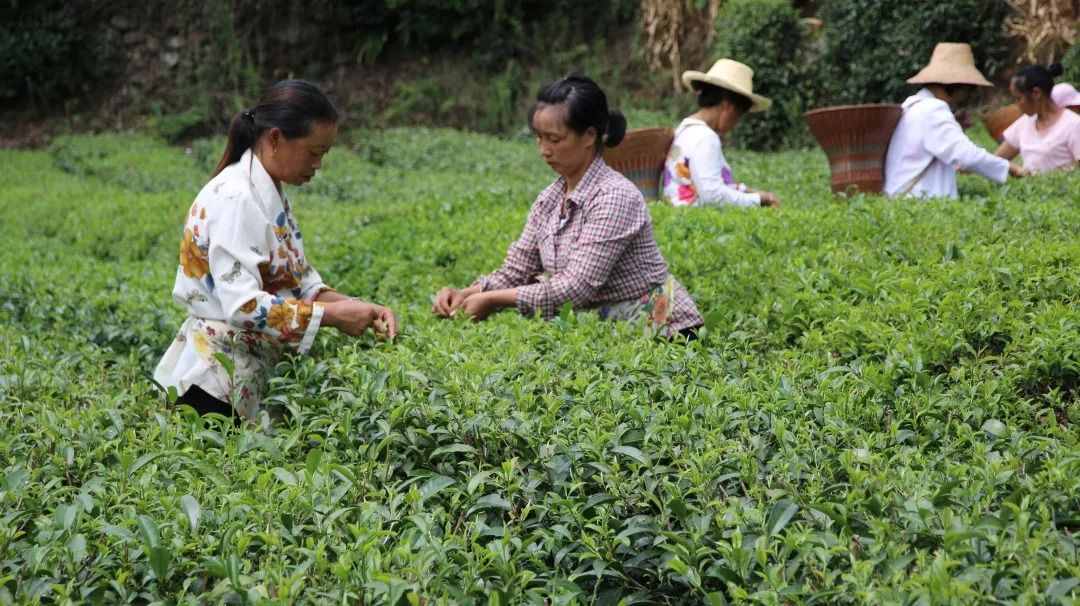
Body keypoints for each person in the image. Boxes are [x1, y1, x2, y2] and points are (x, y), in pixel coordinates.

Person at [155, 80, 396, 421]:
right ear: (275, 139)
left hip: (241, 375)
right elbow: (244, 306)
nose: (318, 165)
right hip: (213, 386)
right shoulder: (237, 197)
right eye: (314, 152)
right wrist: (334, 317)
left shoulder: (267, 192)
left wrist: (358, 308)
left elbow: (300, 285)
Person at [432, 73, 703, 338]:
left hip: (665, 334)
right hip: (603, 334)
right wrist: (468, 292)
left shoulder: (616, 196)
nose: (544, 150)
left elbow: (575, 288)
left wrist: (491, 300)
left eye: (555, 139)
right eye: (539, 137)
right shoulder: (549, 200)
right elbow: (517, 270)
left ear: (588, 136)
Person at [884, 42, 1025, 198]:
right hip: (918, 201)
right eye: (967, 88)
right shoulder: (933, 109)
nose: (964, 96)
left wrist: (955, 125)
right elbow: (967, 155)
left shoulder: (912, 105)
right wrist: (1010, 168)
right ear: (955, 85)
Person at [662, 59, 781, 208]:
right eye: (738, 115)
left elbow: (701, 181)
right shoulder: (705, 137)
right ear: (727, 106)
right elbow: (713, 195)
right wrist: (758, 200)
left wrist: (746, 191)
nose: (736, 122)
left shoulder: (684, 130)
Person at [996, 64, 1080, 173]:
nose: (1017, 105)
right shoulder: (1024, 123)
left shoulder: (1073, 124)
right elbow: (997, 159)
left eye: (1019, 98)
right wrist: (1017, 170)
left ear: (1037, 93)